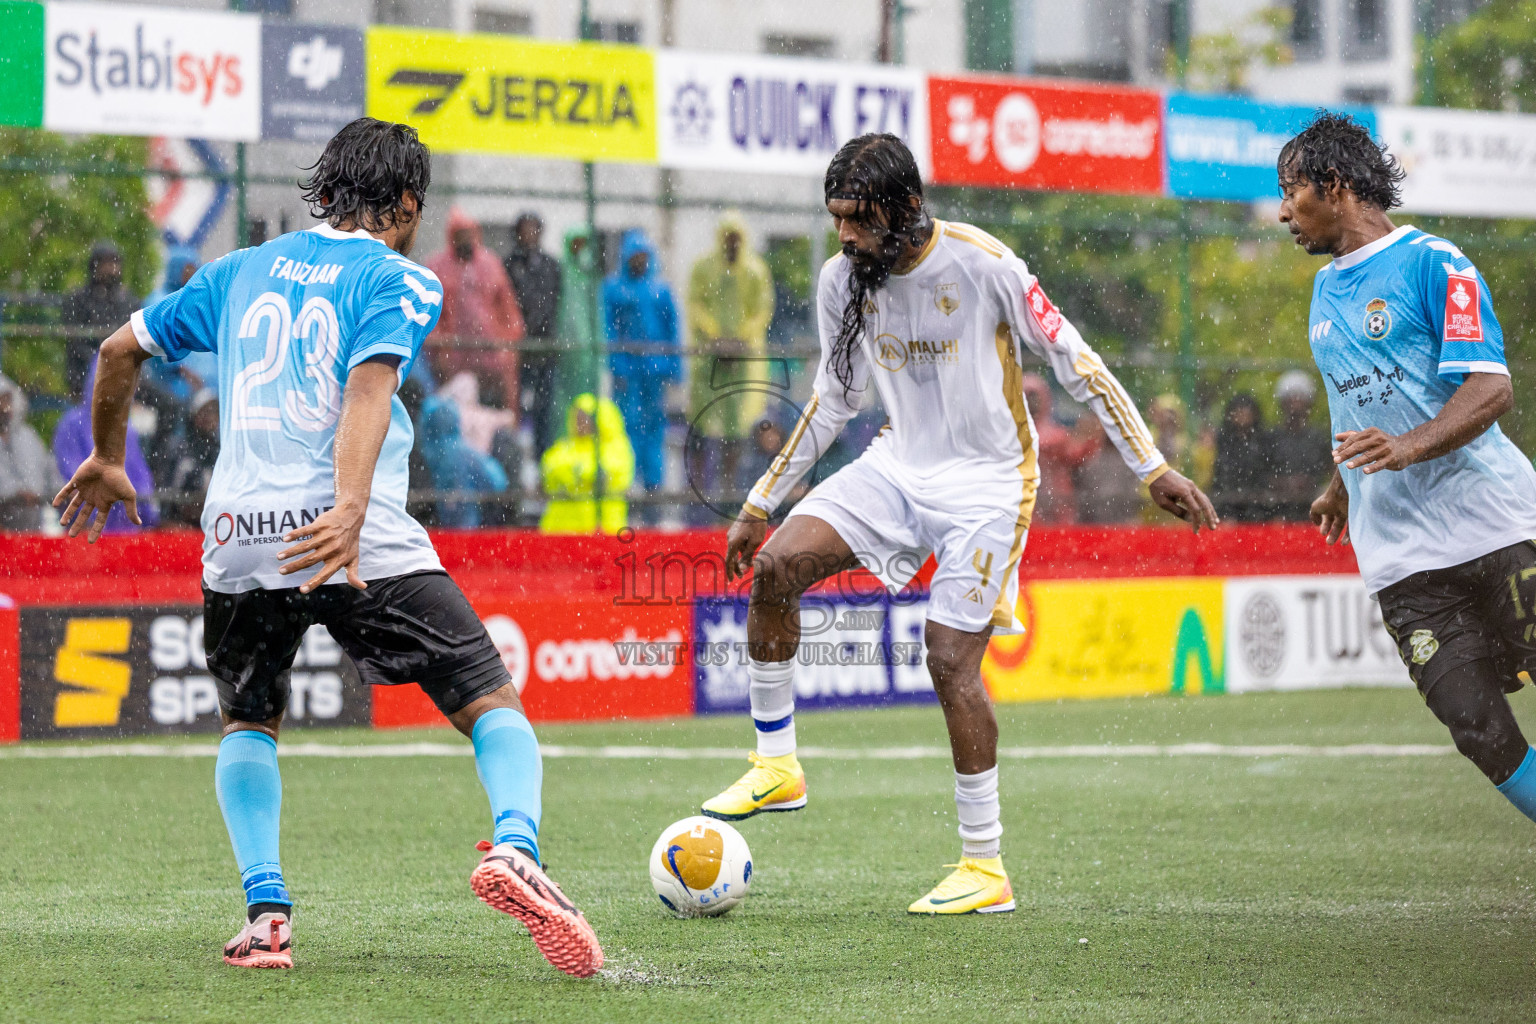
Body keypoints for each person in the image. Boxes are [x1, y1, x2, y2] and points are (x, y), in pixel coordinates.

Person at [51, 117, 601, 977]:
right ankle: (517, 848)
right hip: (348, 536)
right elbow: (367, 388)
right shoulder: (399, 279)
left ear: (327, 191)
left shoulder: (237, 271)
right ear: (408, 202)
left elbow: (119, 349)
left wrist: (109, 456)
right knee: (490, 698)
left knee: (248, 718)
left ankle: (267, 919)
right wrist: (348, 508)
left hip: (235, 537)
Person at [707, 134, 1217, 914]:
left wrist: (1150, 465)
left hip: (988, 483)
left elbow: (1078, 363)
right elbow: (833, 399)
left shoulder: (984, 264)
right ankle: (777, 766)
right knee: (776, 568)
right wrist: (758, 503)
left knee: (948, 657)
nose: (845, 235)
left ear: (907, 206)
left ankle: (985, 868)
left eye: (860, 218)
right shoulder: (843, 280)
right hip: (896, 464)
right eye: (836, 218)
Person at [1278, 111, 1536, 832]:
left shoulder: (1436, 264)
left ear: (1333, 186)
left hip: (1496, 526)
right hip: (1401, 557)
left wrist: (1407, 447)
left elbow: (1491, 388)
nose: (1281, 211)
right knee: (1478, 730)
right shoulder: (1325, 293)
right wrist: (1340, 483)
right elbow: (1353, 400)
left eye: (1291, 191)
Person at [686, 211, 775, 515]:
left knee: (736, 430)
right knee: (701, 425)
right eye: (728, 237)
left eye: (737, 237)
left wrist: (739, 338)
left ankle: (728, 494)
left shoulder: (754, 270)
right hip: (709, 361)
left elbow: (762, 309)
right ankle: (697, 500)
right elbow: (695, 303)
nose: (732, 243)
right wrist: (714, 335)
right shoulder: (704, 268)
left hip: (741, 361)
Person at [603, 229, 680, 510]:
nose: (640, 261)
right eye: (635, 256)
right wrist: (617, 364)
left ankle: (653, 483)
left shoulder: (660, 289)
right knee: (625, 424)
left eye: (643, 256)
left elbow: (672, 329)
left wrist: (673, 367)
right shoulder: (614, 289)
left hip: (654, 370)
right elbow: (608, 329)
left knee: (654, 426)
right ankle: (627, 479)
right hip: (628, 371)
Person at [424, 207, 525, 414]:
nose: (465, 241)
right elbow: (430, 315)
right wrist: (440, 347)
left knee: (498, 413)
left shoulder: (490, 264)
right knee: (458, 413)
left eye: (468, 234)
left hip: (492, 357)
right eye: (460, 235)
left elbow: (508, 309)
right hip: (455, 359)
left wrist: (507, 346)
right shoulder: (437, 266)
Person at [53, 357, 159, 534]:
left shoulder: (127, 429)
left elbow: (141, 478)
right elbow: (72, 476)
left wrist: (146, 513)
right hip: (86, 532)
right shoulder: (71, 425)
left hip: (127, 533)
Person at [504, 213, 563, 455]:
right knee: (513, 407)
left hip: (544, 348)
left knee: (544, 409)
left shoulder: (551, 266)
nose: (529, 235)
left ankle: (542, 459)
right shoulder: (508, 264)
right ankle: (514, 460)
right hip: (517, 349)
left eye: (534, 229)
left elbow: (556, 303)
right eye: (524, 229)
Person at [538, 392, 635, 534]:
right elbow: (549, 468)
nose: (579, 422)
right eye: (577, 416)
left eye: (585, 417)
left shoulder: (617, 446)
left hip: (605, 530)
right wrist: (580, 477)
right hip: (560, 530)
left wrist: (573, 477)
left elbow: (608, 474)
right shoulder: (565, 445)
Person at [419, 389, 509, 528]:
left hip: (429, 527)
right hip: (466, 527)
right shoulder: (464, 453)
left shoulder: (420, 450)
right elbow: (497, 482)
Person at [61, 241, 139, 399]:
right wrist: (102, 359)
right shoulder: (78, 299)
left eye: (115, 262)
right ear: (94, 266)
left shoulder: (128, 300)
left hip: (123, 368)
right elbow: (75, 341)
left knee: (170, 404)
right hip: (86, 369)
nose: (111, 268)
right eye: (106, 262)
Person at [1022, 373, 1095, 525]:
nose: (1032, 404)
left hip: (1059, 505)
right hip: (1030, 507)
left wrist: (1090, 434)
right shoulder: (1057, 437)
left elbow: (1078, 455)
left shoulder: (1057, 436)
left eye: (1034, 398)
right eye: (1027, 398)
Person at [1269, 369, 1332, 521]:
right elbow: (1262, 472)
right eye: (1291, 398)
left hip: (1312, 503)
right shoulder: (1272, 437)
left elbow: (1330, 470)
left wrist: (1310, 482)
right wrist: (1283, 483)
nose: (1295, 403)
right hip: (1275, 506)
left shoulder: (1318, 438)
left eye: (1300, 398)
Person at [0, 374, 61, 531]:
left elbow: (49, 470)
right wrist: (15, 493)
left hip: (34, 531)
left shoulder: (28, 436)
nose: (4, 407)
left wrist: (64, 489)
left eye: (7, 399)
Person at [553, 225, 601, 416]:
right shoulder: (560, 271)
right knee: (563, 397)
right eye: (575, 244)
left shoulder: (589, 274)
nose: (579, 248)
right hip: (564, 346)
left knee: (586, 397)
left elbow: (597, 314)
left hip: (587, 347)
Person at [1210, 392, 1275, 521]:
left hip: (1259, 504)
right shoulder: (1222, 440)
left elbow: (1267, 472)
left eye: (1246, 410)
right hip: (1227, 503)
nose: (1242, 415)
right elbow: (1218, 474)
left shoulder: (1264, 440)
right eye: (1238, 410)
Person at [161, 388, 220, 527]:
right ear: (194, 415)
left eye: (214, 411)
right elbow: (167, 492)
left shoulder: (222, 450)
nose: (210, 417)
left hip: (214, 524)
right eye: (205, 411)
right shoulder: (179, 449)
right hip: (182, 527)